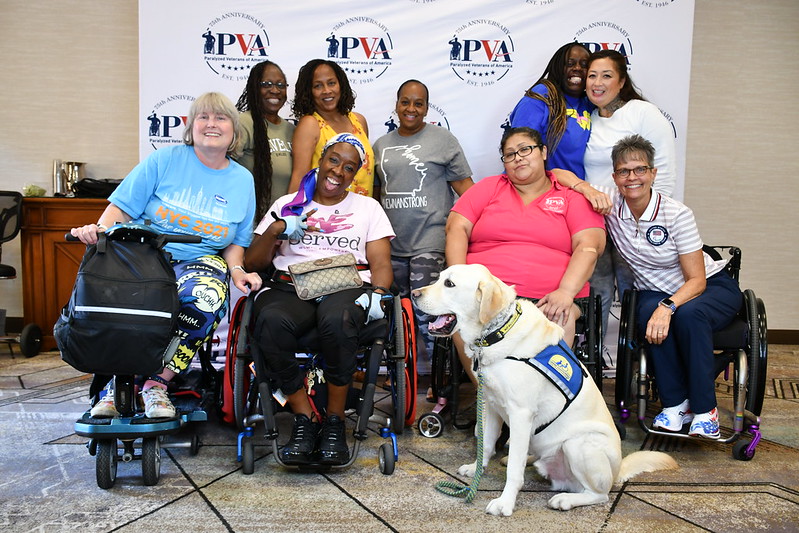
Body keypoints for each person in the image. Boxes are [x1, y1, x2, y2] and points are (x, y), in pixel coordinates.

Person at [70, 92, 263, 419]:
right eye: (203, 117)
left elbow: (235, 241)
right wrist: (97, 231)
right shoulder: (164, 161)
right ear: (191, 126)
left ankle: (157, 384)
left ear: (234, 131)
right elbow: (120, 209)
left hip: (200, 260)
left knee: (207, 297)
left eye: (220, 118)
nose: (211, 124)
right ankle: (119, 385)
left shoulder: (242, 180)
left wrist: (238, 270)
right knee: (124, 301)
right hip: (144, 257)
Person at [561, 134, 741, 439]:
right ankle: (675, 405)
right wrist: (587, 189)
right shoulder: (612, 203)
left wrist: (668, 306)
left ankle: (704, 408)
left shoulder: (677, 213)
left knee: (687, 315)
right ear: (615, 176)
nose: (632, 177)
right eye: (624, 171)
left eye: (640, 169)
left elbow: (696, 280)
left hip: (707, 287)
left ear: (653, 173)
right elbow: (559, 175)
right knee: (647, 315)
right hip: (653, 292)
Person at [244, 133, 394, 465]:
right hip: (291, 287)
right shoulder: (287, 204)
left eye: (349, 168)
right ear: (321, 161)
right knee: (269, 320)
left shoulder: (368, 208)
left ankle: (335, 422)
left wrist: (379, 295)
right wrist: (278, 228)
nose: (338, 171)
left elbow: (382, 264)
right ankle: (304, 417)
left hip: (345, 286)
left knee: (337, 320)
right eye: (334, 161)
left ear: (355, 176)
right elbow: (253, 263)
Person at [446, 126, 605, 383]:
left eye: (524, 150)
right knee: (464, 317)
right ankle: (491, 400)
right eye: (510, 155)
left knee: (559, 316)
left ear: (543, 152)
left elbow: (590, 246)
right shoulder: (489, 188)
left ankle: (544, 405)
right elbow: (456, 227)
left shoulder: (571, 198)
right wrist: (458, 281)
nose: (518, 157)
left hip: (551, 297)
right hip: (488, 295)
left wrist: (565, 292)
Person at [372, 79, 474, 375]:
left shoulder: (443, 140)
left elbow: (465, 188)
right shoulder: (381, 145)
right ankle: (406, 379)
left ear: (427, 108)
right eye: (405, 102)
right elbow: (376, 197)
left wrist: (486, 220)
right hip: (391, 245)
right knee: (397, 316)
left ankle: (440, 381)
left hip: (429, 241)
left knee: (429, 313)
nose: (411, 108)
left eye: (418, 103)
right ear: (396, 105)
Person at [582, 49, 678, 357]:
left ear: (622, 82)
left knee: (635, 292)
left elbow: (662, 170)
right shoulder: (584, 119)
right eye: (592, 75)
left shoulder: (642, 113)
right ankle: (593, 359)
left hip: (633, 222)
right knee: (595, 295)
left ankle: (640, 362)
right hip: (595, 221)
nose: (597, 83)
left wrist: (646, 220)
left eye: (606, 75)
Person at [288, 59, 375, 198]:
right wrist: (290, 216)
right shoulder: (310, 124)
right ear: (309, 92)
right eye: (318, 86)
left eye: (331, 83)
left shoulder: (359, 121)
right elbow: (299, 178)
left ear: (341, 85)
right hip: (325, 216)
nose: (326, 91)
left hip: (362, 213)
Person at [509, 42, 593, 179]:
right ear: (559, 67)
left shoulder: (590, 102)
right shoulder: (542, 96)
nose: (577, 68)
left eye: (584, 65)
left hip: (577, 192)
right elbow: (518, 150)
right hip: (541, 191)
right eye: (570, 63)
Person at [234, 60, 295, 224]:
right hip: (248, 225)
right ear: (255, 87)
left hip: (282, 226)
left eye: (281, 85)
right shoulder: (243, 123)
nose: (275, 90)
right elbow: (222, 172)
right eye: (267, 84)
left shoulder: (292, 130)